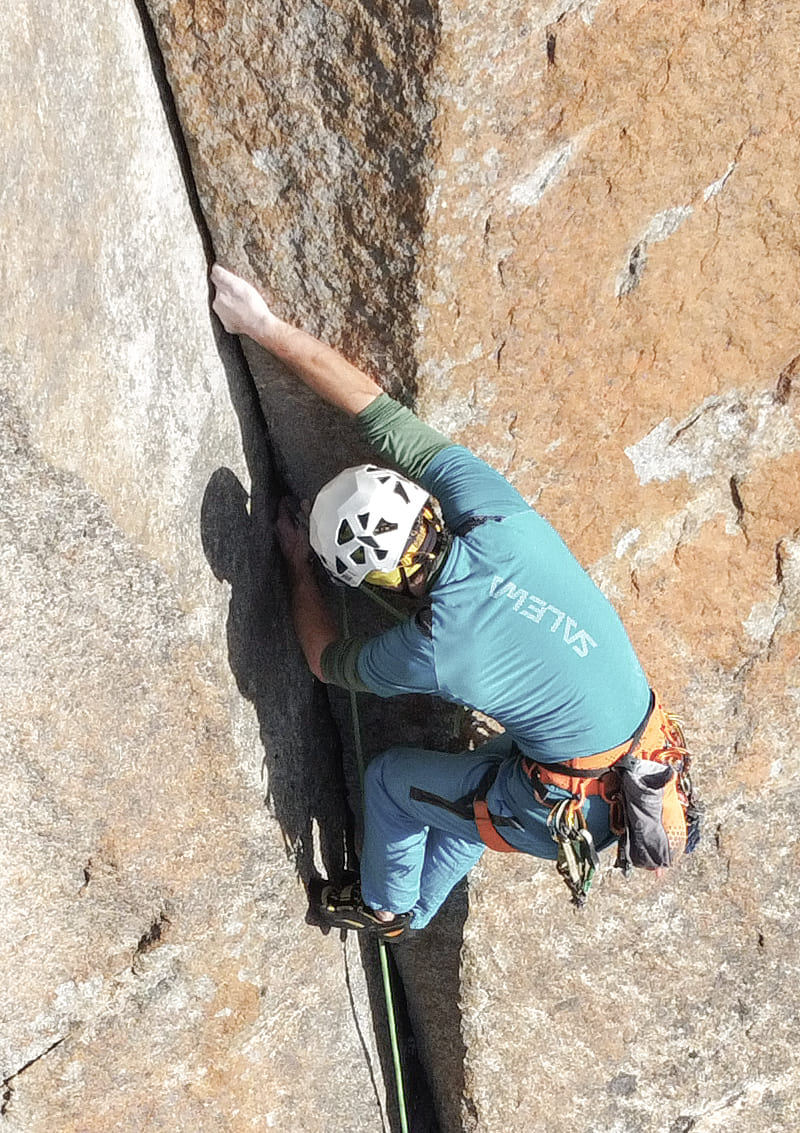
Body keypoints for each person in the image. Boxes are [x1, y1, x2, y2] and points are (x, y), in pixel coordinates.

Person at [210, 263, 693, 940]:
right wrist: (264, 325)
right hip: (641, 763)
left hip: (568, 806)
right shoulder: (495, 514)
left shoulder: (434, 646)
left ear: (375, 582)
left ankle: (387, 908)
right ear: (423, 503)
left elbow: (325, 660)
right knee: (480, 775)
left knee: (390, 782)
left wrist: (296, 569)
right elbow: (380, 415)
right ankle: (427, 892)